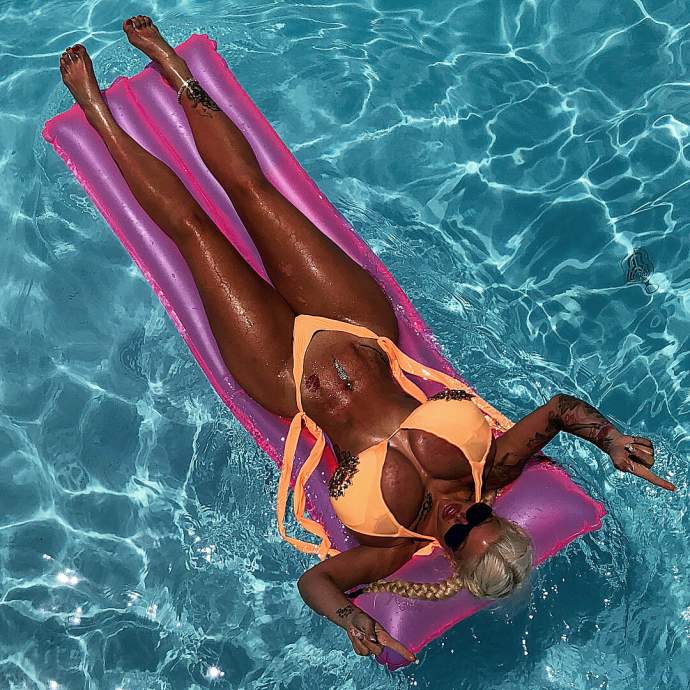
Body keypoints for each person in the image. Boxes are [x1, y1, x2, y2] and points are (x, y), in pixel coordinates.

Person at [58, 16, 676, 662]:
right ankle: (176, 70)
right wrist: (610, 440)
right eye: (480, 519)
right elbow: (559, 410)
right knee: (252, 191)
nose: (459, 518)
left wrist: (351, 620)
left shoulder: (392, 548)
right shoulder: (493, 468)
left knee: (195, 234)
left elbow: (316, 582)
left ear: (451, 559)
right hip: (357, 325)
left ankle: (99, 114)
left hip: (284, 377)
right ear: (496, 515)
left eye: (459, 536)